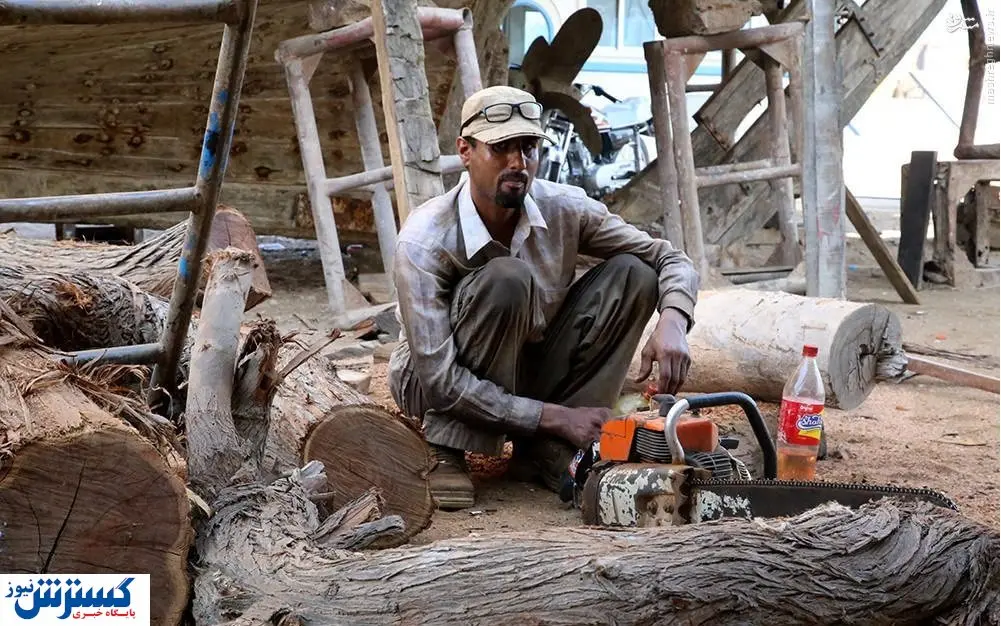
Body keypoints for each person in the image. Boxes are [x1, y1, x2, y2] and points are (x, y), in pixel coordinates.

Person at [388, 85, 700, 510]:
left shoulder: (565, 209)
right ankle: (449, 447)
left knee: (636, 274)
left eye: (529, 146)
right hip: (433, 390)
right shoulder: (425, 240)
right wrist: (557, 415)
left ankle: (546, 448)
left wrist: (674, 320)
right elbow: (440, 381)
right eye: (501, 148)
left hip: (527, 365)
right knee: (506, 280)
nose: (518, 162)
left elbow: (669, 257)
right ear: (465, 151)